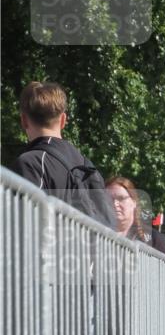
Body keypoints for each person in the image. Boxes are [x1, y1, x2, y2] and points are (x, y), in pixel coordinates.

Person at [11, 81, 115, 228]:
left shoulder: (31, 163)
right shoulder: (86, 166)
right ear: (63, 120)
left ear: (24, 121)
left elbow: (26, 226)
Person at [105, 176, 165, 256]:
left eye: (121, 198)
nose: (114, 204)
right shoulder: (96, 234)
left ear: (134, 202)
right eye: (109, 199)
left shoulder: (153, 239)